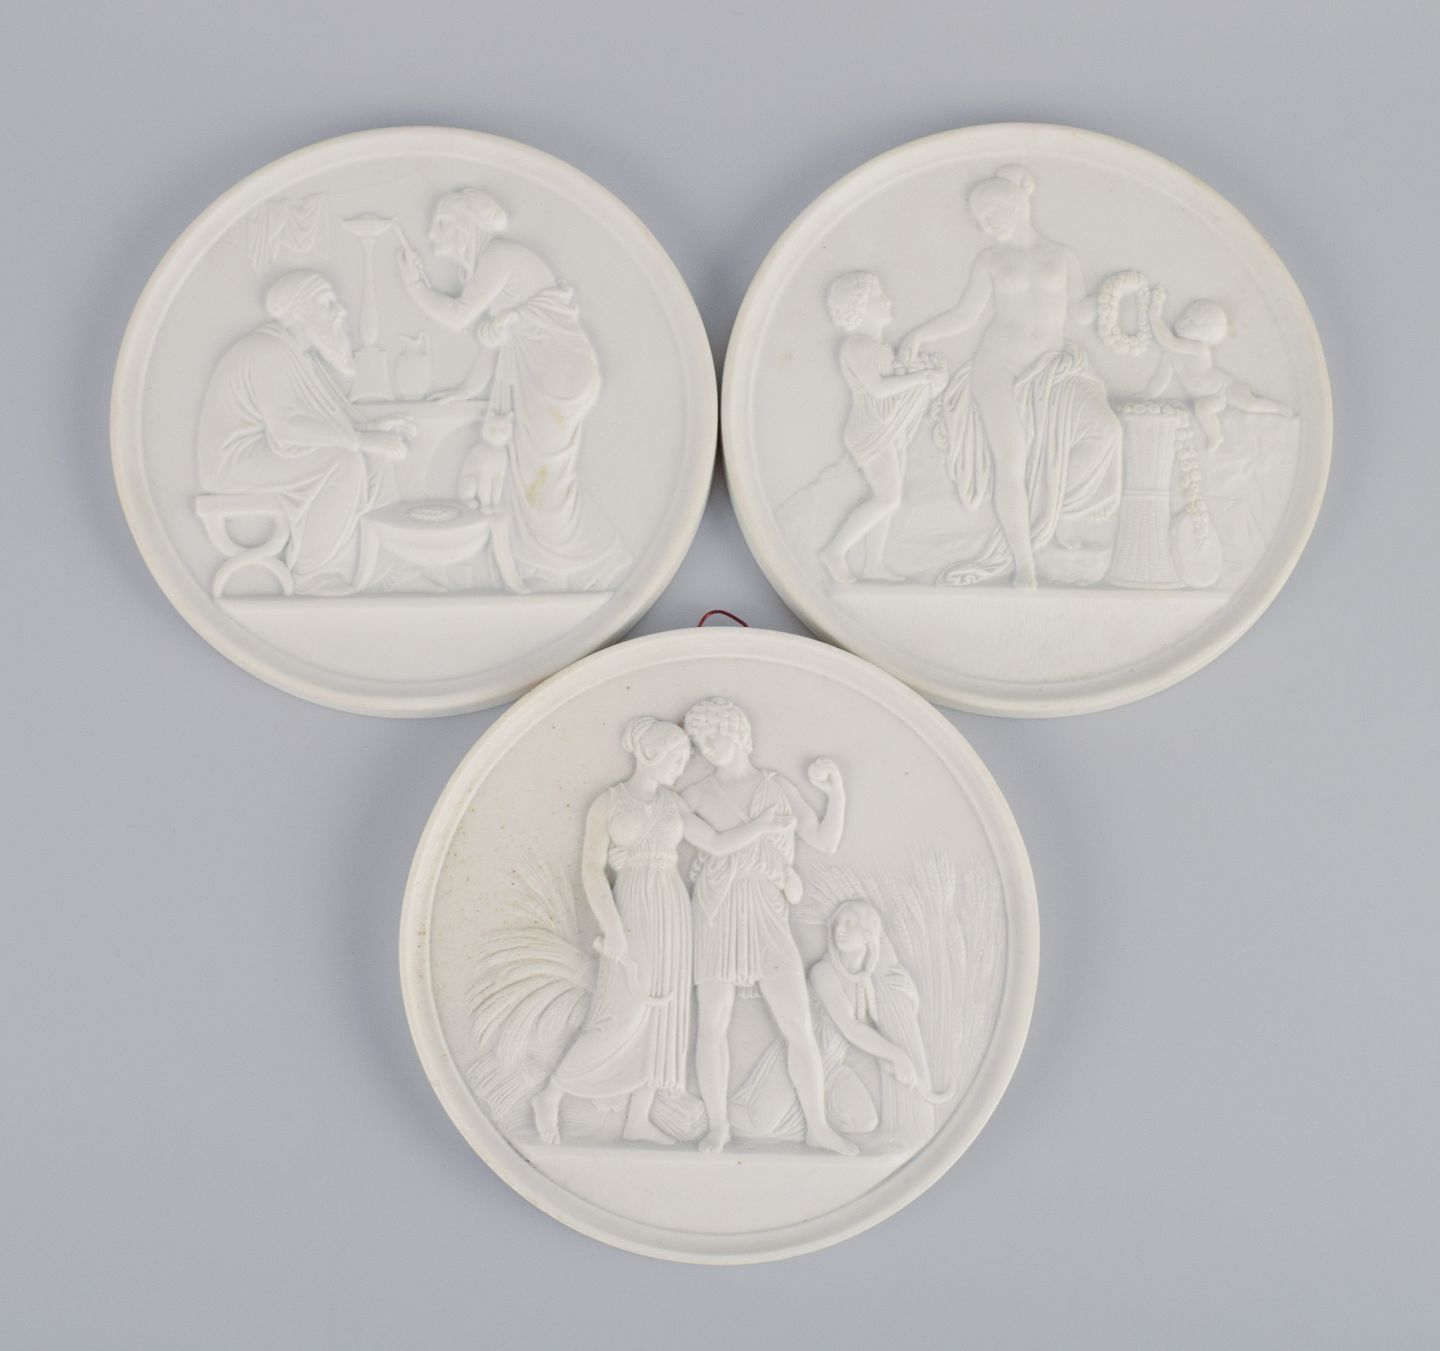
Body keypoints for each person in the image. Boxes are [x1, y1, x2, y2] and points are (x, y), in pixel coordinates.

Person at [530, 717, 779, 1147]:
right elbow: (591, 871)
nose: (681, 768)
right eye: (676, 759)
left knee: (664, 1015)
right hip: (631, 907)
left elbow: (715, 843)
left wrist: (761, 827)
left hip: (672, 910)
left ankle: (637, 1120)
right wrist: (613, 929)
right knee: (623, 1013)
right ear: (649, 753)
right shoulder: (608, 803)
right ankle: (551, 1093)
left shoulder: (672, 803)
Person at [900, 164, 1121, 587]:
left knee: (1107, 431)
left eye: (990, 216)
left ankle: (1051, 512)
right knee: (1011, 461)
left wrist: (1108, 298)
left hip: (1051, 368)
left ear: (1015, 205)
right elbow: (966, 316)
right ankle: (1024, 563)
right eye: (979, 221)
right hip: (998, 363)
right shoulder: (991, 260)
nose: (984, 228)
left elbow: (1078, 315)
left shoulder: (1062, 256)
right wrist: (919, 334)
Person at [397, 189, 630, 591]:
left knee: (544, 478)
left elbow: (458, 316)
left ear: (465, 226)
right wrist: (467, 389)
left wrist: (415, 285)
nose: (432, 233)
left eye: (441, 224)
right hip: (547, 374)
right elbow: (498, 341)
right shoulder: (491, 264)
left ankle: (596, 559)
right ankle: (547, 562)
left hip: (556, 377)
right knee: (530, 478)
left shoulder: (499, 256)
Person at [680, 697, 855, 1155]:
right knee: (713, 1020)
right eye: (699, 738)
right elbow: (707, 843)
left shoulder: (776, 788)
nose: (707, 744)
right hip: (717, 910)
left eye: (715, 733)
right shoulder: (694, 796)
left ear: (738, 732)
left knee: (797, 1021)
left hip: (765, 908)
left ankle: (817, 1126)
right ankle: (718, 1126)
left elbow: (824, 840)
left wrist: (836, 793)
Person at [196, 271, 415, 594]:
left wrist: (371, 430)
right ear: (298, 312)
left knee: (374, 460)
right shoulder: (266, 350)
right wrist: (361, 440)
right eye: (327, 303)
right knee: (343, 462)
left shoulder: (298, 356)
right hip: (235, 462)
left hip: (265, 451)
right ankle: (313, 573)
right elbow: (288, 428)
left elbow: (322, 420)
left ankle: (383, 563)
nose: (340, 311)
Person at [730, 901, 938, 1150]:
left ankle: (812, 1122)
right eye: (838, 923)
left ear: (869, 933)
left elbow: (880, 1023)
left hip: (833, 1068)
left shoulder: (864, 980)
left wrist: (912, 996)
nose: (840, 929)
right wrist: (897, 1055)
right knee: (756, 1124)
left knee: (865, 1121)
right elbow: (851, 1029)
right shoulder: (823, 972)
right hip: (803, 1062)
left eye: (850, 923)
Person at [819, 273, 948, 584]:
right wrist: (920, 377)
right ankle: (834, 551)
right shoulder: (856, 346)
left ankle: (873, 566)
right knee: (888, 498)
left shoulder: (880, 347)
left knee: (888, 500)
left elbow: (896, 388)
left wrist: (929, 376)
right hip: (870, 430)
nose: (888, 301)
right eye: (878, 297)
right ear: (859, 306)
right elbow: (877, 388)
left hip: (889, 428)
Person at [1145, 290, 1296, 452]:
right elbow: (1161, 378)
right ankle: (1215, 436)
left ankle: (1279, 409)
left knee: (1249, 404)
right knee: (1202, 408)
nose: (1183, 322)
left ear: (1204, 334)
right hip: (1209, 397)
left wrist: (1154, 316)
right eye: (1185, 316)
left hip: (1225, 387)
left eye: (1191, 322)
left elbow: (1168, 341)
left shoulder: (1199, 348)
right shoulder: (1171, 356)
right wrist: (1149, 395)